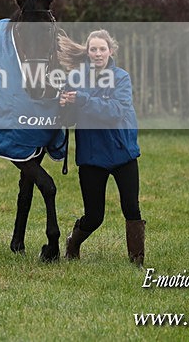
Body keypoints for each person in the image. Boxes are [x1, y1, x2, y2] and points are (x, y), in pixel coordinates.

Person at [57, 29, 145, 265]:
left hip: (122, 152)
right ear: (87, 52)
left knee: (131, 208)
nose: (98, 53)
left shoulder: (121, 78)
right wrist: (64, 105)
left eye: (102, 49)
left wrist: (83, 100)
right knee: (95, 216)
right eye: (93, 49)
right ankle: (73, 242)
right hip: (92, 156)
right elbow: (68, 120)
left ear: (111, 51)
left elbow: (116, 111)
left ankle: (136, 261)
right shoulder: (75, 79)